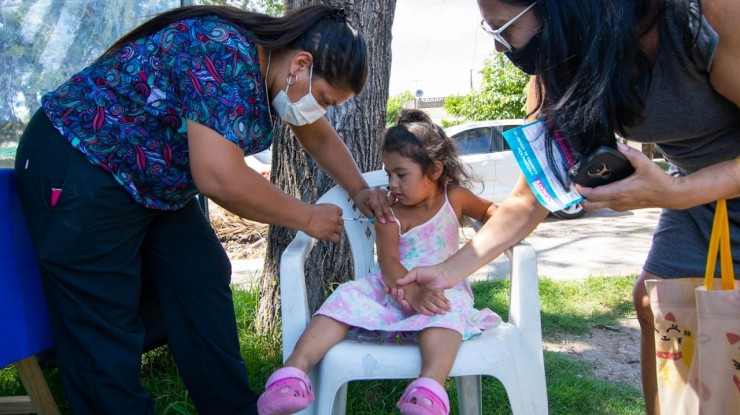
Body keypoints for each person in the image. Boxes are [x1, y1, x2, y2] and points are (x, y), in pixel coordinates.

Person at [14, 5, 393, 415]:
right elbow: (220, 178)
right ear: (301, 64)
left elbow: (317, 136)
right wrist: (307, 216)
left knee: (201, 275)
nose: (322, 112)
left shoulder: (273, 73)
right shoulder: (226, 52)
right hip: (83, 162)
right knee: (102, 320)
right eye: (323, 99)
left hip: (152, 180)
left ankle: (233, 408)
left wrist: (359, 189)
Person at [391, 1, 740, 414]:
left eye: (505, 29)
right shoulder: (563, 69)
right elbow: (527, 199)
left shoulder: (704, 15)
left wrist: (676, 194)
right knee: (655, 305)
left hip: (697, 188)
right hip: (700, 196)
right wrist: (446, 272)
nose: (502, 50)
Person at [256, 109, 500, 415]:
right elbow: (387, 263)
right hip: (389, 288)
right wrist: (411, 293)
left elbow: (496, 216)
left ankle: (428, 390)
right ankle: (292, 375)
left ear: (435, 170)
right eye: (388, 175)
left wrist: (484, 241)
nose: (392, 184)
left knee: (446, 311)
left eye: (401, 174)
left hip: (441, 287)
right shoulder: (389, 211)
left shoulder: (455, 198)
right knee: (341, 300)